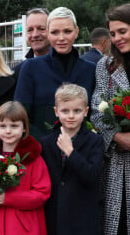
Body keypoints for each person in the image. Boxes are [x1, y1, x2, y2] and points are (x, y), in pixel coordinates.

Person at [0, 101, 51, 235]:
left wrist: (8, 198)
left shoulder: (33, 159)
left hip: (24, 227)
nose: (8, 131)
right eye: (3, 126)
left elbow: (42, 193)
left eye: (14, 126)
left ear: (24, 128)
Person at [14, 7, 96, 141]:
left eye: (67, 31)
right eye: (55, 32)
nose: (61, 38)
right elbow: (21, 115)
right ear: (47, 33)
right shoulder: (31, 67)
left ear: (76, 32)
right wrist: (48, 145)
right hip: (42, 152)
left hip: (83, 153)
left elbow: (95, 114)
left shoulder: (90, 69)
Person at [42, 83, 104, 235]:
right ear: (56, 112)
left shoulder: (95, 141)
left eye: (77, 111)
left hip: (83, 216)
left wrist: (71, 152)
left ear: (86, 111)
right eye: (65, 110)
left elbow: (92, 176)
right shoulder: (46, 142)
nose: (71, 116)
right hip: (54, 215)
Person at [91, 3, 130, 235]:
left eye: (122, 31)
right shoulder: (105, 65)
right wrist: (116, 135)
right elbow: (97, 108)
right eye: (113, 33)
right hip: (118, 162)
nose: (117, 39)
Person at [14, 8, 50, 77]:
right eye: (30, 30)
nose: (35, 35)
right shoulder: (18, 73)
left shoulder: (67, 67)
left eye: (41, 29)